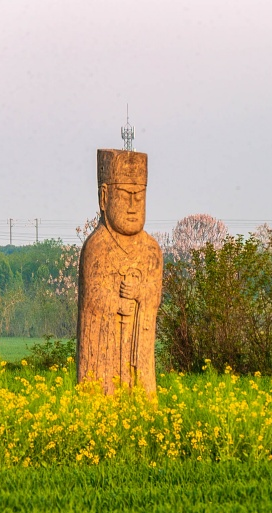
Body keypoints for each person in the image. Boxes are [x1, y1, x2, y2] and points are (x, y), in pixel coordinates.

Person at [77, 149, 163, 395]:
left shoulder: (151, 250)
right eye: (126, 196)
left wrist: (140, 293)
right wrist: (116, 303)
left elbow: (154, 296)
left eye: (140, 196)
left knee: (140, 390)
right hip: (105, 349)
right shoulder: (97, 247)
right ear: (104, 198)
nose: (133, 206)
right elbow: (92, 297)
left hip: (137, 344)